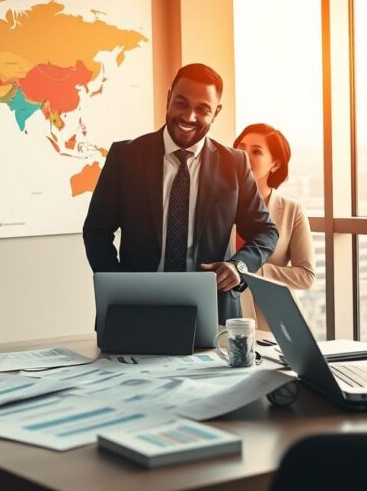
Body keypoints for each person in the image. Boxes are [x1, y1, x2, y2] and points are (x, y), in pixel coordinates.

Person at [83, 63, 279, 322]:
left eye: (203, 109)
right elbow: (96, 231)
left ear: (216, 112)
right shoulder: (125, 157)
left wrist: (238, 266)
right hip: (134, 308)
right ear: (168, 99)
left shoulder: (235, 164)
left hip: (212, 311)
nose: (189, 117)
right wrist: (119, 287)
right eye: (182, 103)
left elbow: (265, 231)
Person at [233, 123, 315, 329]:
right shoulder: (218, 204)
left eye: (256, 151)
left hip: (274, 323)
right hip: (227, 320)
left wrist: (253, 270)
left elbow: (306, 276)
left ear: (275, 164)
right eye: (240, 147)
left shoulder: (292, 210)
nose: (244, 155)